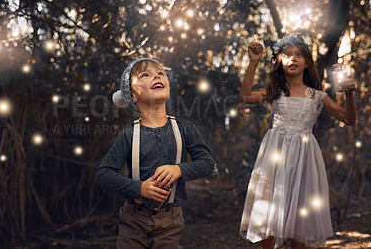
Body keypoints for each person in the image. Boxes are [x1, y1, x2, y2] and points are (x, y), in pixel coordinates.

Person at [238, 35, 356, 249]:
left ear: (307, 62)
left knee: (299, 213)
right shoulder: (274, 93)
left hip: (303, 157)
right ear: (279, 62)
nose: (293, 59)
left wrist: (349, 95)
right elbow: (245, 96)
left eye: (299, 55)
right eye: (287, 55)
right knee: (268, 210)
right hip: (275, 157)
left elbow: (349, 119)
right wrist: (253, 62)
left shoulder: (318, 96)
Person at [96, 58, 214, 249]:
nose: (157, 76)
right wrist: (138, 188)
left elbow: (207, 163)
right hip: (133, 220)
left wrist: (179, 169)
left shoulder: (185, 128)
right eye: (145, 75)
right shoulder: (129, 135)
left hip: (171, 222)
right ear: (133, 94)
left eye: (160, 73)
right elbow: (103, 174)